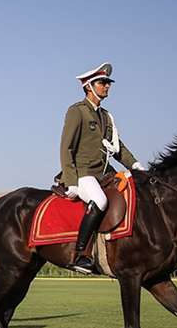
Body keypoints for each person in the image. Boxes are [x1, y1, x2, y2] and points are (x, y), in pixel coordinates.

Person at [59, 62, 146, 274]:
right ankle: (81, 255)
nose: (107, 86)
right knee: (100, 200)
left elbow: (117, 147)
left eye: (108, 82)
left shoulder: (106, 116)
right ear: (89, 86)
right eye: (102, 82)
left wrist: (135, 165)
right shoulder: (77, 112)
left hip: (104, 173)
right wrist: (71, 181)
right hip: (83, 173)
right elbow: (66, 147)